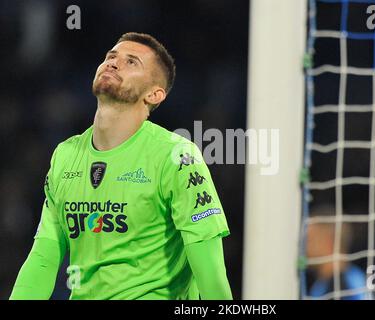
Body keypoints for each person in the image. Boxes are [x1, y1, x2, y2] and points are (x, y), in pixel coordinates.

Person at [9, 32, 232, 300]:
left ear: (154, 94)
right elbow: (44, 258)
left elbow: (211, 273)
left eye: (131, 62)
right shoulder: (65, 154)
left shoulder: (177, 156)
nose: (113, 63)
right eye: (110, 57)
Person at [306, 205, 373, 300]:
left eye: (310, 240)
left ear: (328, 242)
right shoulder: (323, 283)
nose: (304, 248)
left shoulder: (344, 286)